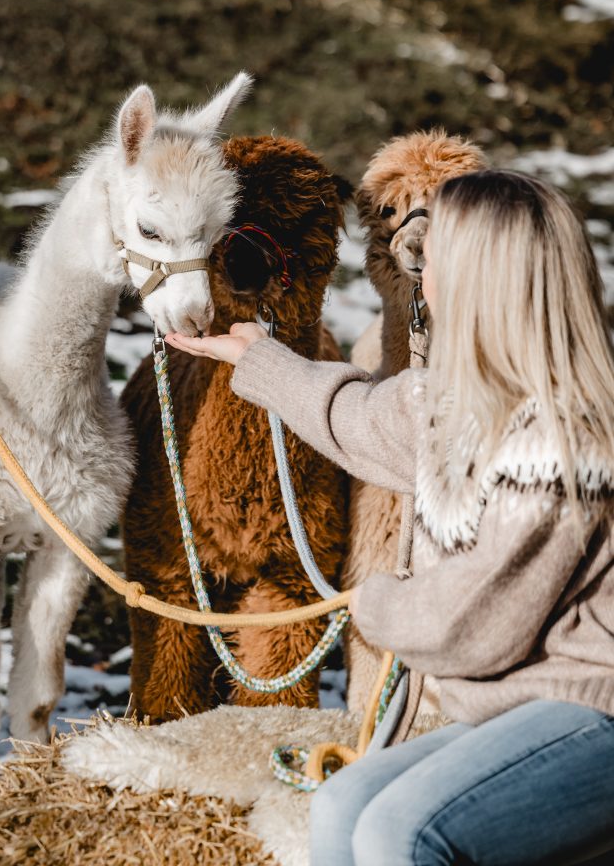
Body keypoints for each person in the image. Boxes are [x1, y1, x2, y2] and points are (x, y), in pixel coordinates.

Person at [166, 169, 614, 866]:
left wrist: (373, 601)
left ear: (479, 279)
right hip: (517, 707)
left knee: (400, 832)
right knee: (345, 804)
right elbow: (362, 418)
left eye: (435, 255)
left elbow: (472, 623)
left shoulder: (560, 439)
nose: (420, 266)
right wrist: (257, 358)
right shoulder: (464, 401)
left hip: (590, 710)